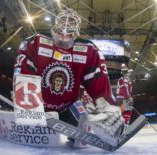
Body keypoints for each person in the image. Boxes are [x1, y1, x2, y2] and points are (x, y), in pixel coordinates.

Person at [14, 9, 124, 145]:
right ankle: (30, 114)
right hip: (38, 107)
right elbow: (23, 74)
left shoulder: (89, 50)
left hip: (66, 107)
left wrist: (108, 107)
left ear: (77, 30)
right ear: (55, 25)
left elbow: (98, 83)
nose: (66, 28)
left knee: (82, 139)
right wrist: (31, 108)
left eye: (71, 24)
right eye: (62, 24)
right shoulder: (35, 41)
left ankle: (88, 129)